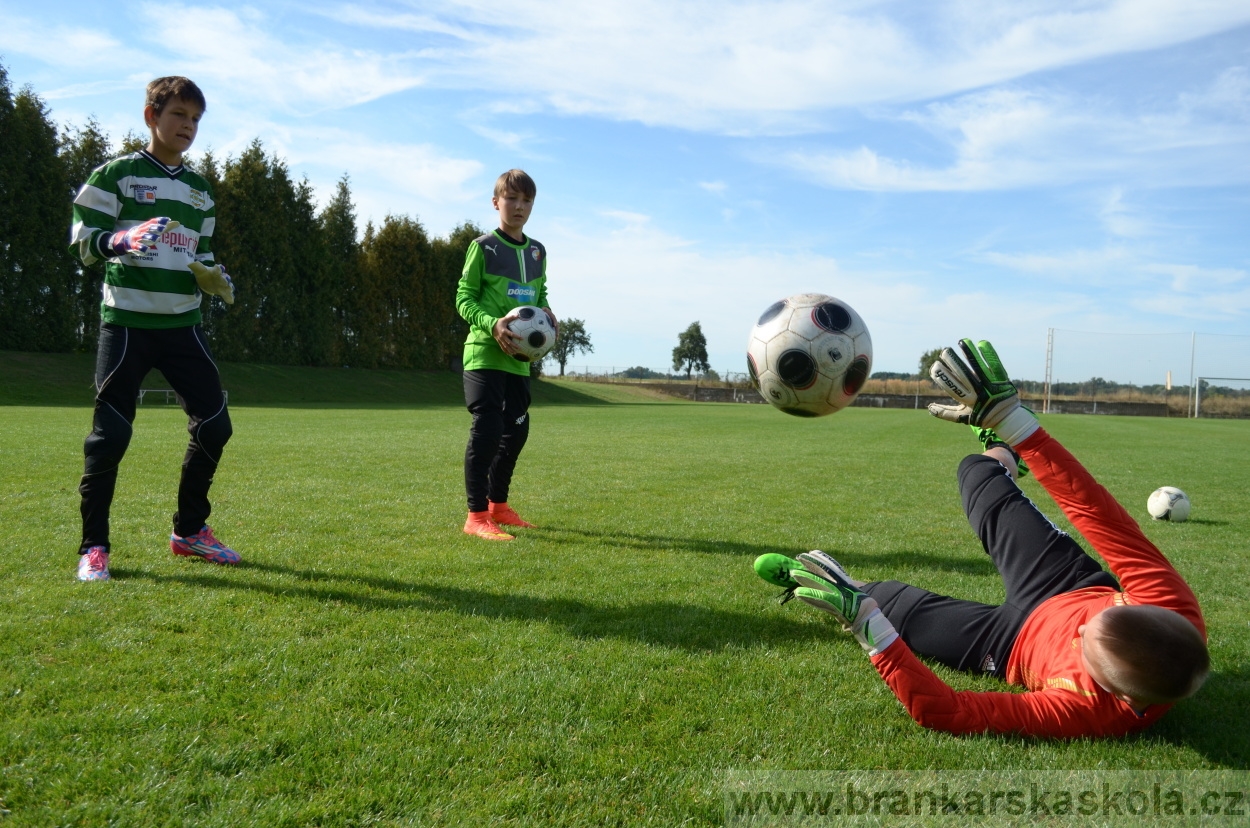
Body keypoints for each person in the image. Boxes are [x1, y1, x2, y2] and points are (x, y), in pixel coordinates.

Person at [755, 338, 1208, 738]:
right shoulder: (1174, 606)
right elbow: (1100, 517)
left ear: (1117, 695)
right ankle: (1001, 449)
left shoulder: (1086, 711)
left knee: (883, 603)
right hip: (1067, 583)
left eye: (1087, 642)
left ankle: (811, 582)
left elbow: (949, 711)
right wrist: (1014, 423)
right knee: (976, 471)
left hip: (1009, 645)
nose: (1083, 626)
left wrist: (865, 625)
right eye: (1112, 615)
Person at [69, 76, 239, 582]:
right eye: (178, 116)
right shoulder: (116, 175)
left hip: (183, 326)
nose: (187, 126)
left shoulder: (200, 191)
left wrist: (214, 277)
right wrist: (121, 240)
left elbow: (202, 256)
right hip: (125, 324)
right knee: (110, 437)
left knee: (216, 425)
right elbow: (84, 239)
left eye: (195, 119)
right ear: (151, 117)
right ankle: (94, 547)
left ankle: (189, 531)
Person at [455, 169, 558, 540]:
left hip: (518, 361)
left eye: (526, 200)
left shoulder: (537, 251)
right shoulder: (483, 247)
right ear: (496, 202)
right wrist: (492, 324)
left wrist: (547, 313)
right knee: (488, 429)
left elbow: (538, 295)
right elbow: (463, 298)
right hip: (484, 353)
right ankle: (476, 516)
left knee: (516, 431)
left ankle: (499, 506)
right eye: (511, 199)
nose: (519, 207)